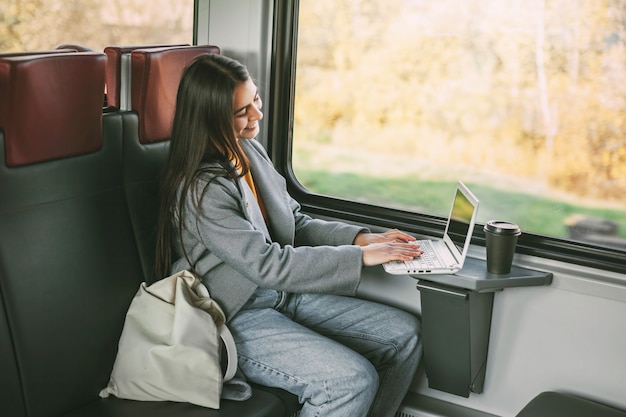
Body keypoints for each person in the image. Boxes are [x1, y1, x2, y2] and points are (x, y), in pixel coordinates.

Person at [155, 53, 423, 417]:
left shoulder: (248, 151)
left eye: (256, 100)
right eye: (241, 111)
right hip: (234, 313)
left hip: (282, 294)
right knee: (349, 381)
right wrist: (359, 258)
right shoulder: (201, 190)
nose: (257, 116)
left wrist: (362, 239)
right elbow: (267, 264)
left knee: (405, 335)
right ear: (209, 118)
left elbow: (293, 222)